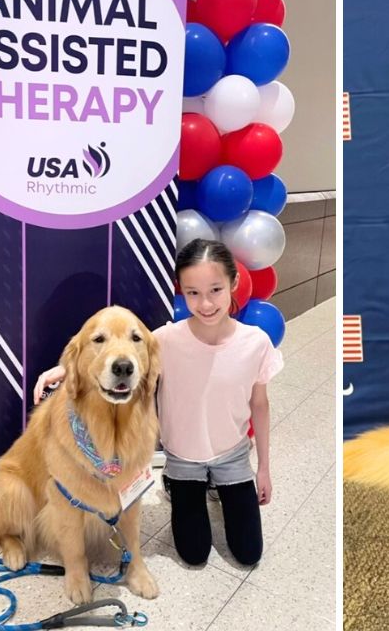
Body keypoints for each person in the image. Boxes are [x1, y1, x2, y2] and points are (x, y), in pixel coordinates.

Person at [35, 239, 283, 566]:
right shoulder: (164, 340)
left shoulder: (256, 343)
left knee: (249, 553)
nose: (205, 303)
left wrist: (264, 469)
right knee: (194, 554)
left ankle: (225, 491)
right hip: (183, 461)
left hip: (233, 457)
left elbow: (260, 405)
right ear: (182, 291)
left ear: (234, 283)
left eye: (215, 290)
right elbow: (116, 351)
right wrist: (64, 369)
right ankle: (176, 486)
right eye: (193, 292)